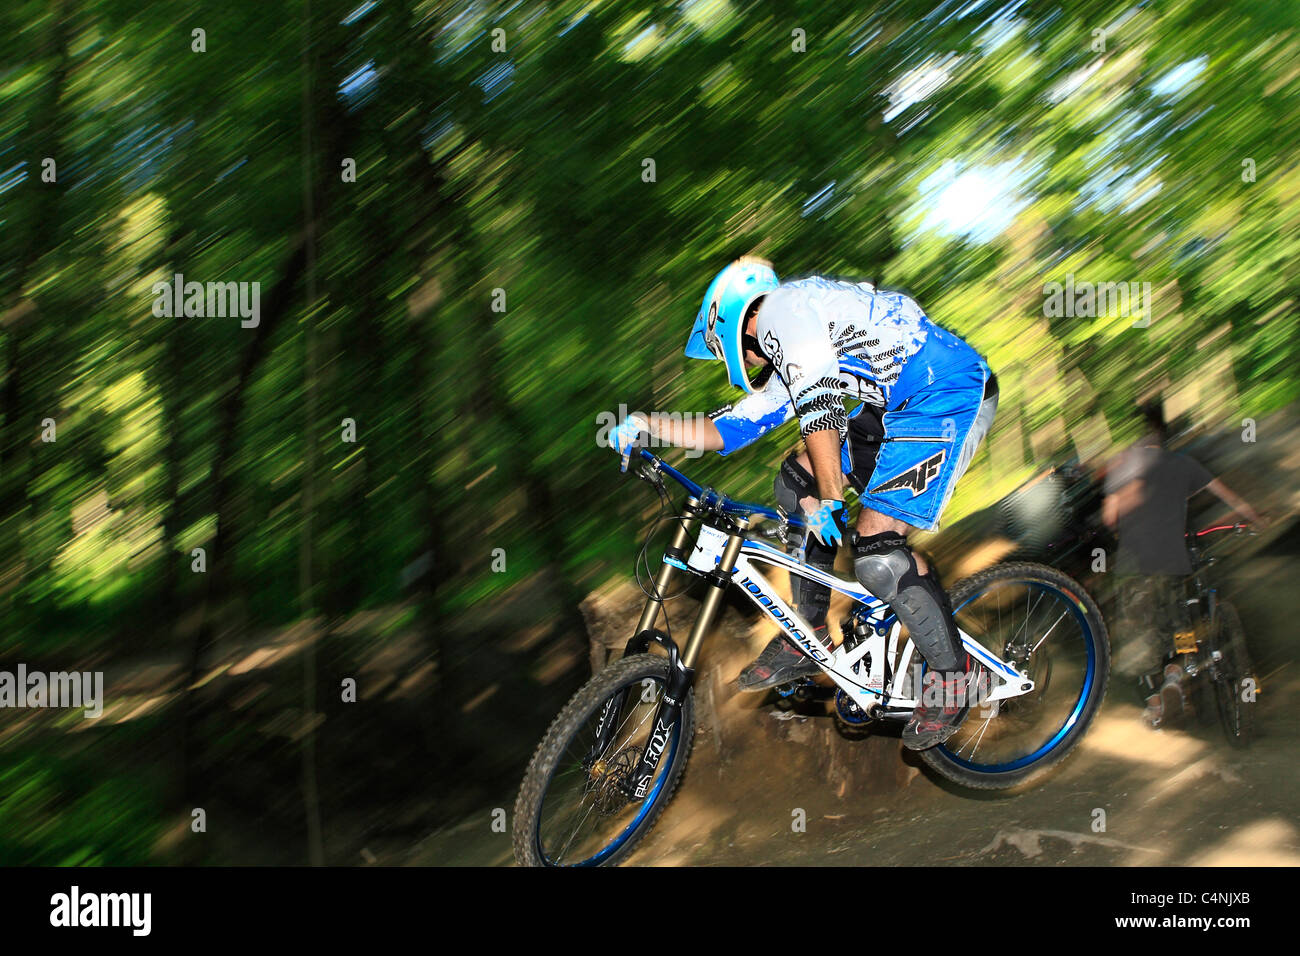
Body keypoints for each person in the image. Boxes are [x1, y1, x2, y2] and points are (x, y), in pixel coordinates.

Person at [610, 257, 997, 750]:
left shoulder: (783, 312)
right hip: (891, 410)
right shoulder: (794, 336)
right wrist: (649, 424)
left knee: (876, 554)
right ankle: (807, 633)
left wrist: (832, 499)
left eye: (725, 351)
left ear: (731, 324)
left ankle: (952, 677)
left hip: (945, 393)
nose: (741, 366)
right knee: (795, 482)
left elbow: (822, 409)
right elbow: (730, 428)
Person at [1101, 401, 1263, 727]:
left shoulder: (1123, 466)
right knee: (1177, 628)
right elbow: (1225, 493)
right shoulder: (1183, 463)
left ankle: (1155, 705)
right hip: (1173, 561)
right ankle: (1175, 678)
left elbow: (1109, 518)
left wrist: (1121, 530)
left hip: (1134, 565)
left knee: (1136, 643)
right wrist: (1253, 517)